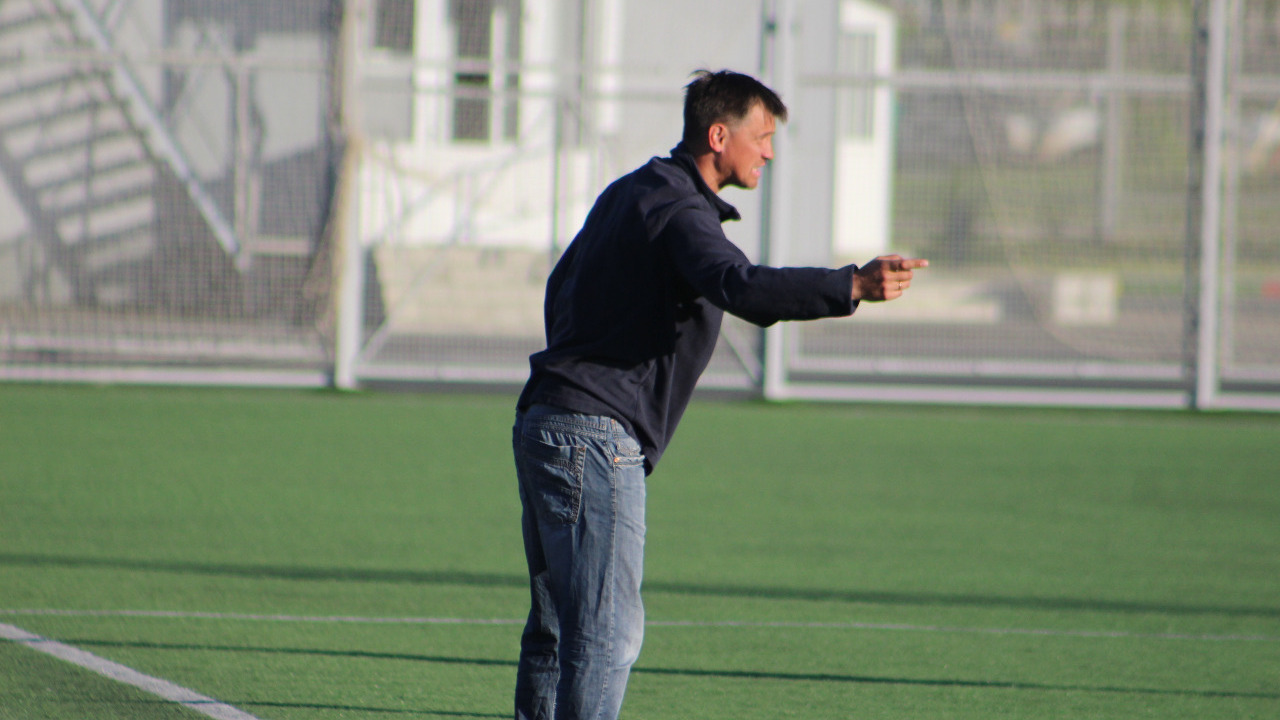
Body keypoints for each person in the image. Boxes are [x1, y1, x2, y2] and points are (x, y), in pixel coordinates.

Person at [511, 69, 927, 720]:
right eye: (762, 137)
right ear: (718, 136)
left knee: (560, 629)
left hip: (546, 417)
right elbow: (740, 285)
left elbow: (559, 288)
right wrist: (851, 286)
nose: (769, 152)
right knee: (605, 634)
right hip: (593, 435)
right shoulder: (680, 210)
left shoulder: (631, 192)